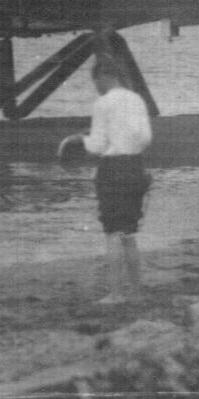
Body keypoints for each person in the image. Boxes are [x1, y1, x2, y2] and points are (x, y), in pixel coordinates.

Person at [56, 45, 156, 303]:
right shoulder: (136, 100)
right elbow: (146, 138)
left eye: (96, 83)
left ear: (103, 77)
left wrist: (81, 139)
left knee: (113, 234)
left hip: (112, 170)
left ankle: (115, 294)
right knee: (129, 234)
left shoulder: (103, 103)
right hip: (136, 166)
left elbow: (98, 145)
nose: (96, 88)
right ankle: (136, 292)